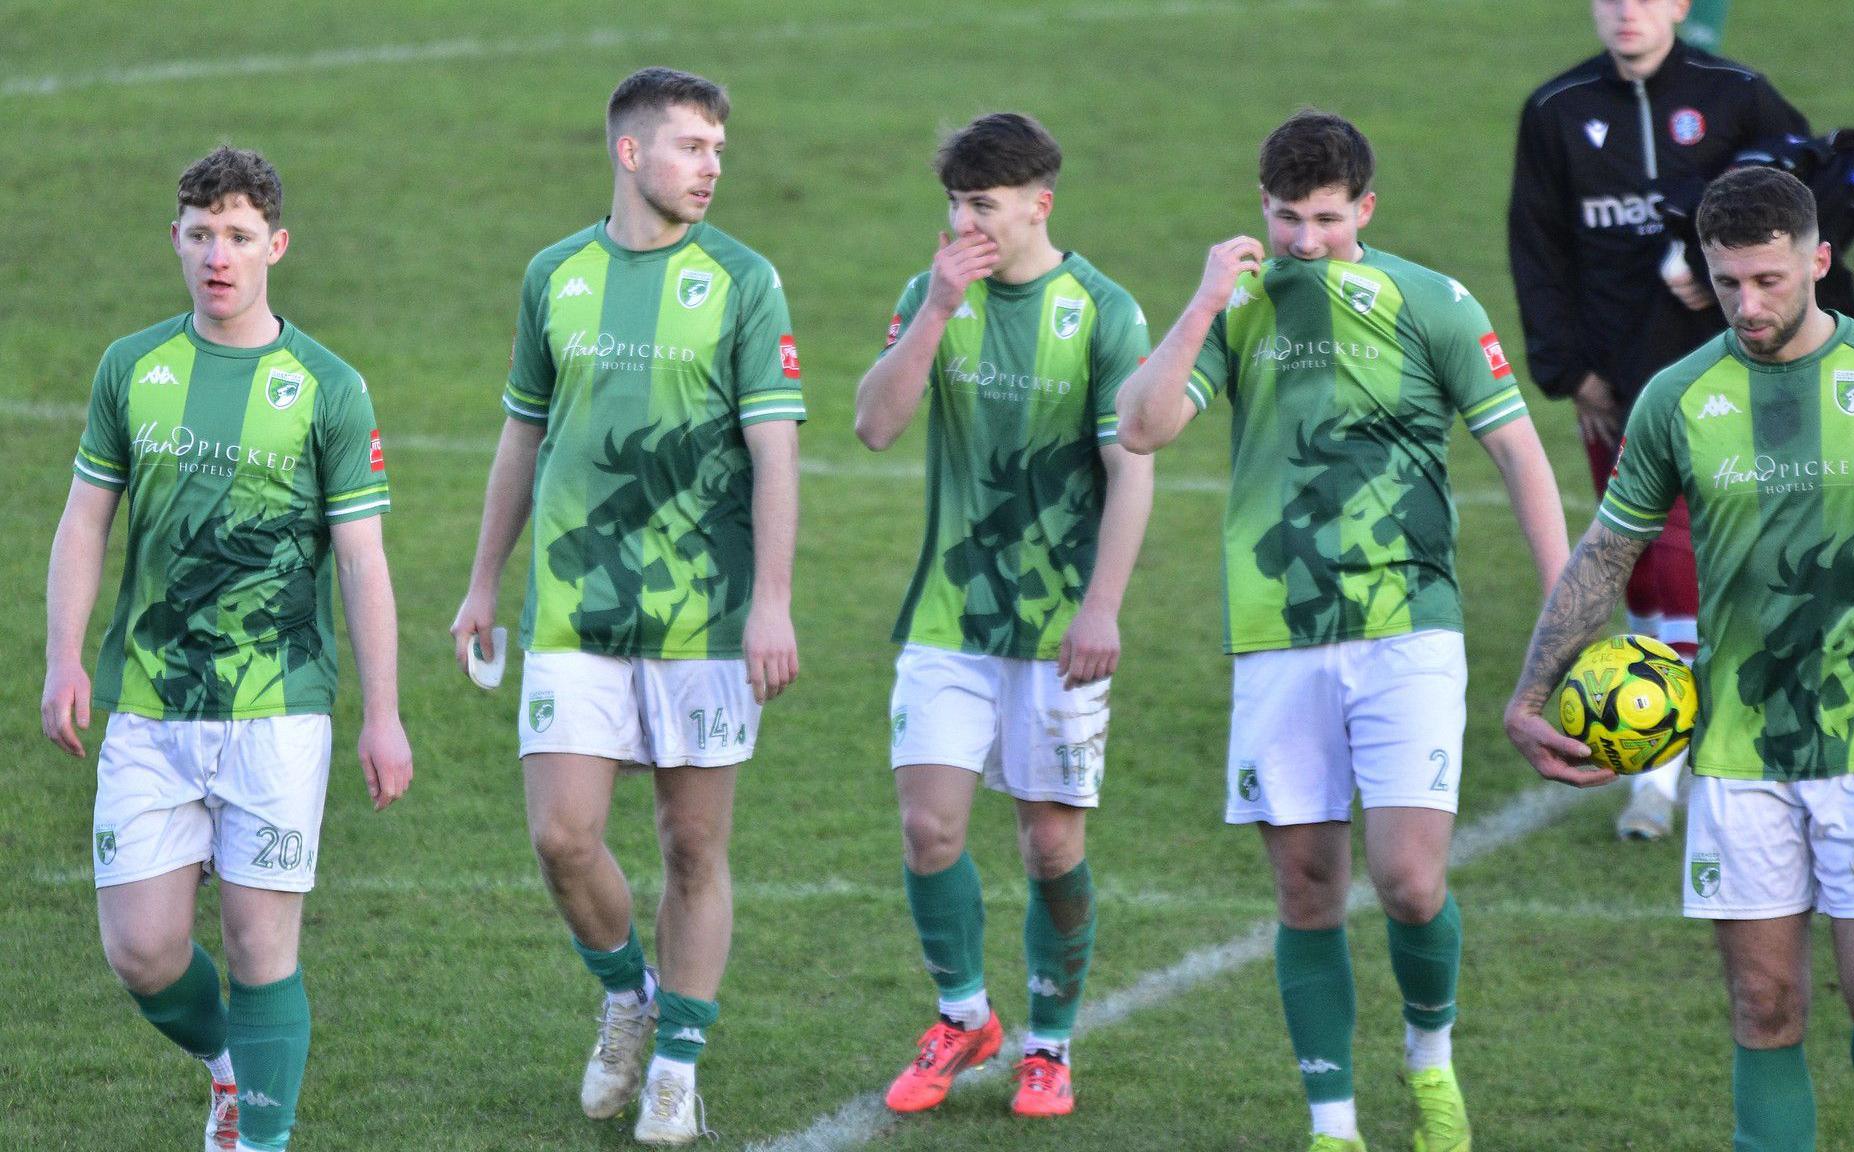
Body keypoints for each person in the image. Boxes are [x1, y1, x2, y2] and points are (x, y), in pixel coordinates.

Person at [1504, 165, 1854, 1152]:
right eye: (1726, 281)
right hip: (1736, 751)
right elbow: (1605, 554)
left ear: (1816, 262)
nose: (1746, 303)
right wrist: (1531, 690)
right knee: (1763, 1007)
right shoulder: (1677, 398)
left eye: (1768, 280)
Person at [1117, 110, 1570, 1152]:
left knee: (1409, 881)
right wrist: (1199, 300)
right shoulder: (1237, 311)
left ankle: (1429, 1062)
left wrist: (1564, 617)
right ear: (1260, 208)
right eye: (1286, 218)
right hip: (1277, 629)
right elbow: (1141, 427)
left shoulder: (1431, 304)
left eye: (1325, 217)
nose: (1305, 239)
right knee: (1306, 885)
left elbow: (1518, 457)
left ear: (1363, 208)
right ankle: (1332, 1126)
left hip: (1409, 625)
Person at [448, 67, 803, 1145]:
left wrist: (773, 603)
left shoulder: (745, 280)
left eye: (718, 151)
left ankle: (676, 1069)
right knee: (563, 838)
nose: (711, 167)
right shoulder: (553, 275)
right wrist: (480, 581)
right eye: (692, 147)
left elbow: (773, 449)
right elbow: (522, 435)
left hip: (703, 612)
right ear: (629, 152)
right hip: (572, 602)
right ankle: (627, 996)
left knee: (692, 847)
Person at [41, 145, 413, 1152]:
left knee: (258, 945)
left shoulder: (328, 388)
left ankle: (259, 1136)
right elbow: (86, 522)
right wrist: (64, 656)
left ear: (275, 247)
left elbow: (362, 562)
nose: (219, 255)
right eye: (201, 235)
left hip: (277, 708)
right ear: (176, 240)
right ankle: (229, 1070)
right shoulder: (133, 367)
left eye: (240, 237)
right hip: (150, 704)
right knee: (144, 951)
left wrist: (382, 715)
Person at [852, 111, 1154, 1119]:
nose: (964, 223)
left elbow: (1130, 472)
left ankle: (1051, 1043)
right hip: (948, 612)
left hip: (1058, 626)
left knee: (1048, 847)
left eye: (982, 205)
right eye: (954, 204)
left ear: (1039, 203)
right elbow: (874, 424)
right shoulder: (936, 292)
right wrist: (936, 309)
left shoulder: (1104, 310)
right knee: (929, 826)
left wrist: (1100, 608)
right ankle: (962, 1013)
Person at [1508, 0, 1854, 840]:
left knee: (1759, 566)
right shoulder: (1556, 111)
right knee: (1656, 578)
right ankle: (1660, 776)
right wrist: (1570, 371)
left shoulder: (1739, 96)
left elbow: (1815, 206)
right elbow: (1538, 246)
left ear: (1679, 5)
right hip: (1621, 393)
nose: (1628, 11)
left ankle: (1757, 749)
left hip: (1744, 386)